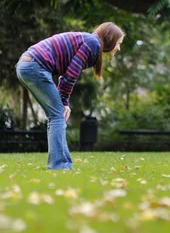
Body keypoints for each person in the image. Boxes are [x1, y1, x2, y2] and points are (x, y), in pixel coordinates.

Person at [16, 22, 125, 170]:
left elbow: (66, 74)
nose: (118, 48)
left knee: (56, 115)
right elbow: (72, 74)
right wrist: (64, 102)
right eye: (118, 43)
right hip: (34, 66)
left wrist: (63, 101)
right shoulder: (93, 43)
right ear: (111, 39)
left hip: (27, 66)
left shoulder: (91, 43)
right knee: (57, 115)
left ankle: (59, 164)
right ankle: (60, 166)